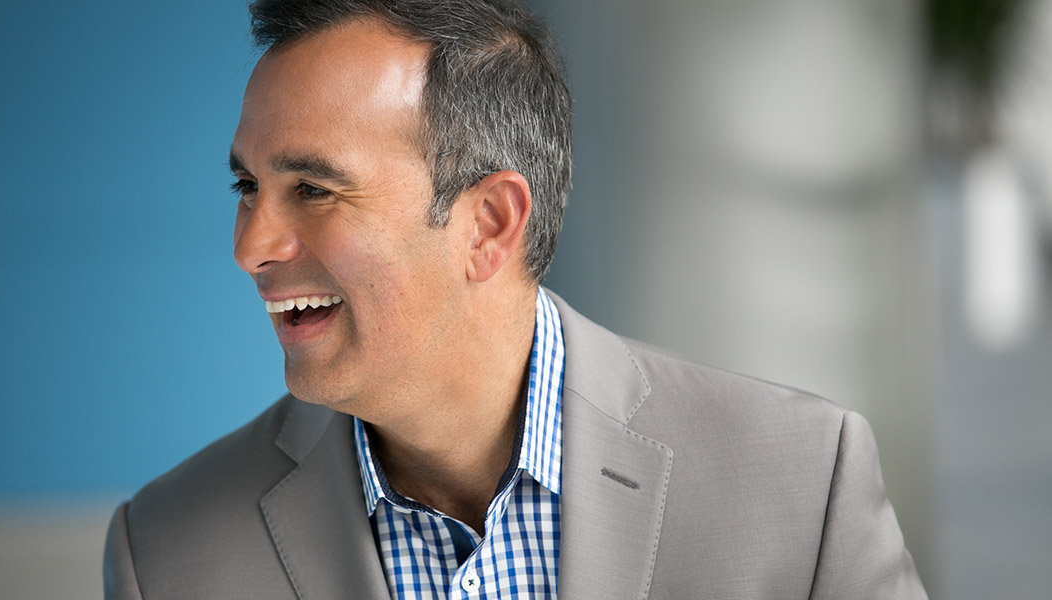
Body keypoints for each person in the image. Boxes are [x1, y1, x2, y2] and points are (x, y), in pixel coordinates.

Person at [103, 1, 927, 598]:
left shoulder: (804, 484)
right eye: (248, 187)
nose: (250, 246)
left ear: (488, 224)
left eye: (313, 190)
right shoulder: (168, 553)